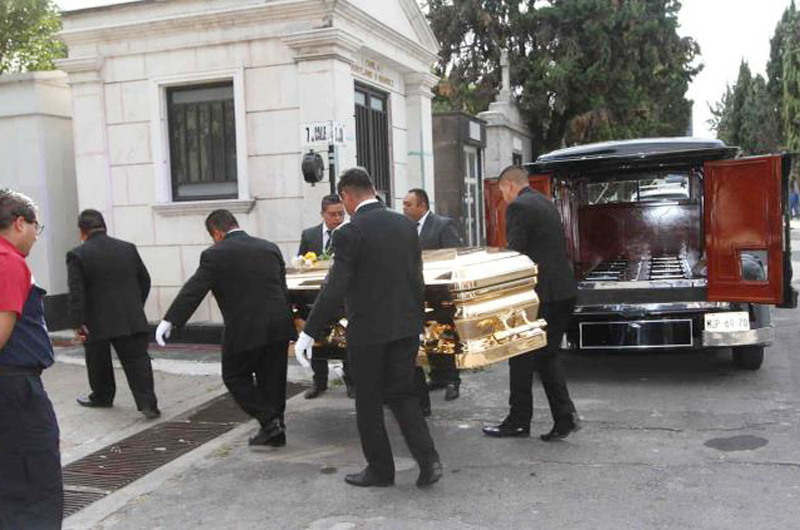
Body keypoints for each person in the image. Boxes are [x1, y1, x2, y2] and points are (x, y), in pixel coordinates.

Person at [295, 168, 442, 488]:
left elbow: (335, 287)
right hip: (405, 326)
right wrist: (416, 321)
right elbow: (417, 278)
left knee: (369, 401)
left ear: (347, 196)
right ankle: (429, 461)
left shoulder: (349, 232)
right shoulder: (405, 225)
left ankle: (380, 470)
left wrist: (309, 332)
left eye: (342, 201)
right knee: (403, 396)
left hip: (368, 333)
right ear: (372, 189)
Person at [155, 209, 295, 448]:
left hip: (244, 328)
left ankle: (270, 421)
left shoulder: (214, 254)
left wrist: (170, 320)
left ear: (217, 233)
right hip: (278, 325)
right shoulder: (269, 247)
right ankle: (275, 432)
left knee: (234, 376)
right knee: (273, 380)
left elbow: (195, 289)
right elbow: (282, 289)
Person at [482, 165, 581, 442]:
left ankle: (518, 421)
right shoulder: (544, 202)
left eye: (502, 192)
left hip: (541, 296)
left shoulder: (519, 207)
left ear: (509, 186)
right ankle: (564, 419)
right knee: (547, 357)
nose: (504, 198)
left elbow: (517, 256)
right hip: (562, 291)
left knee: (520, 356)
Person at [0, 188, 63, 529]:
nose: (38, 237)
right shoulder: (7, 260)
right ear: (20, 223)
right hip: (14, 390)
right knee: (34, 483)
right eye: (38, 228)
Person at [66, 209, 160, 419]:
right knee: (137, 360)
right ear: (104, 227)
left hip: (96, 319)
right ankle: (148, 404)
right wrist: (136, 305)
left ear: (82, 231)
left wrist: (77, 322)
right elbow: (144, 280)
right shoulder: (127, 248)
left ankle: (102, 396)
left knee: (97, 359)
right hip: (129, 317)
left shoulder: (77, 254)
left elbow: (76, 293)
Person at [402, 188, 462, 410]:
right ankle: (437, 376)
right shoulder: (406, 227)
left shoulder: (442, 225)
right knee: (428, 337)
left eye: (408, 204)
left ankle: (452, 380)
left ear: (422, 205)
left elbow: (452, 256)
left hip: (440, 293)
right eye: (404, 204)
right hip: (417, 293)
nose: (404, 208)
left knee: (445, 335)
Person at [297, 194, 354, 399]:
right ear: (323, 214)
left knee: (344, 340)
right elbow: (300, 264)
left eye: (341, 213)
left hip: (342, 300)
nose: (338, 218)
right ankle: (319, 381)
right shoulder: (309, 235)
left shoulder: (350, 233)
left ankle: (351, 381)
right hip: (316, 298)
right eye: (333, 214)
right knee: (316, 341)